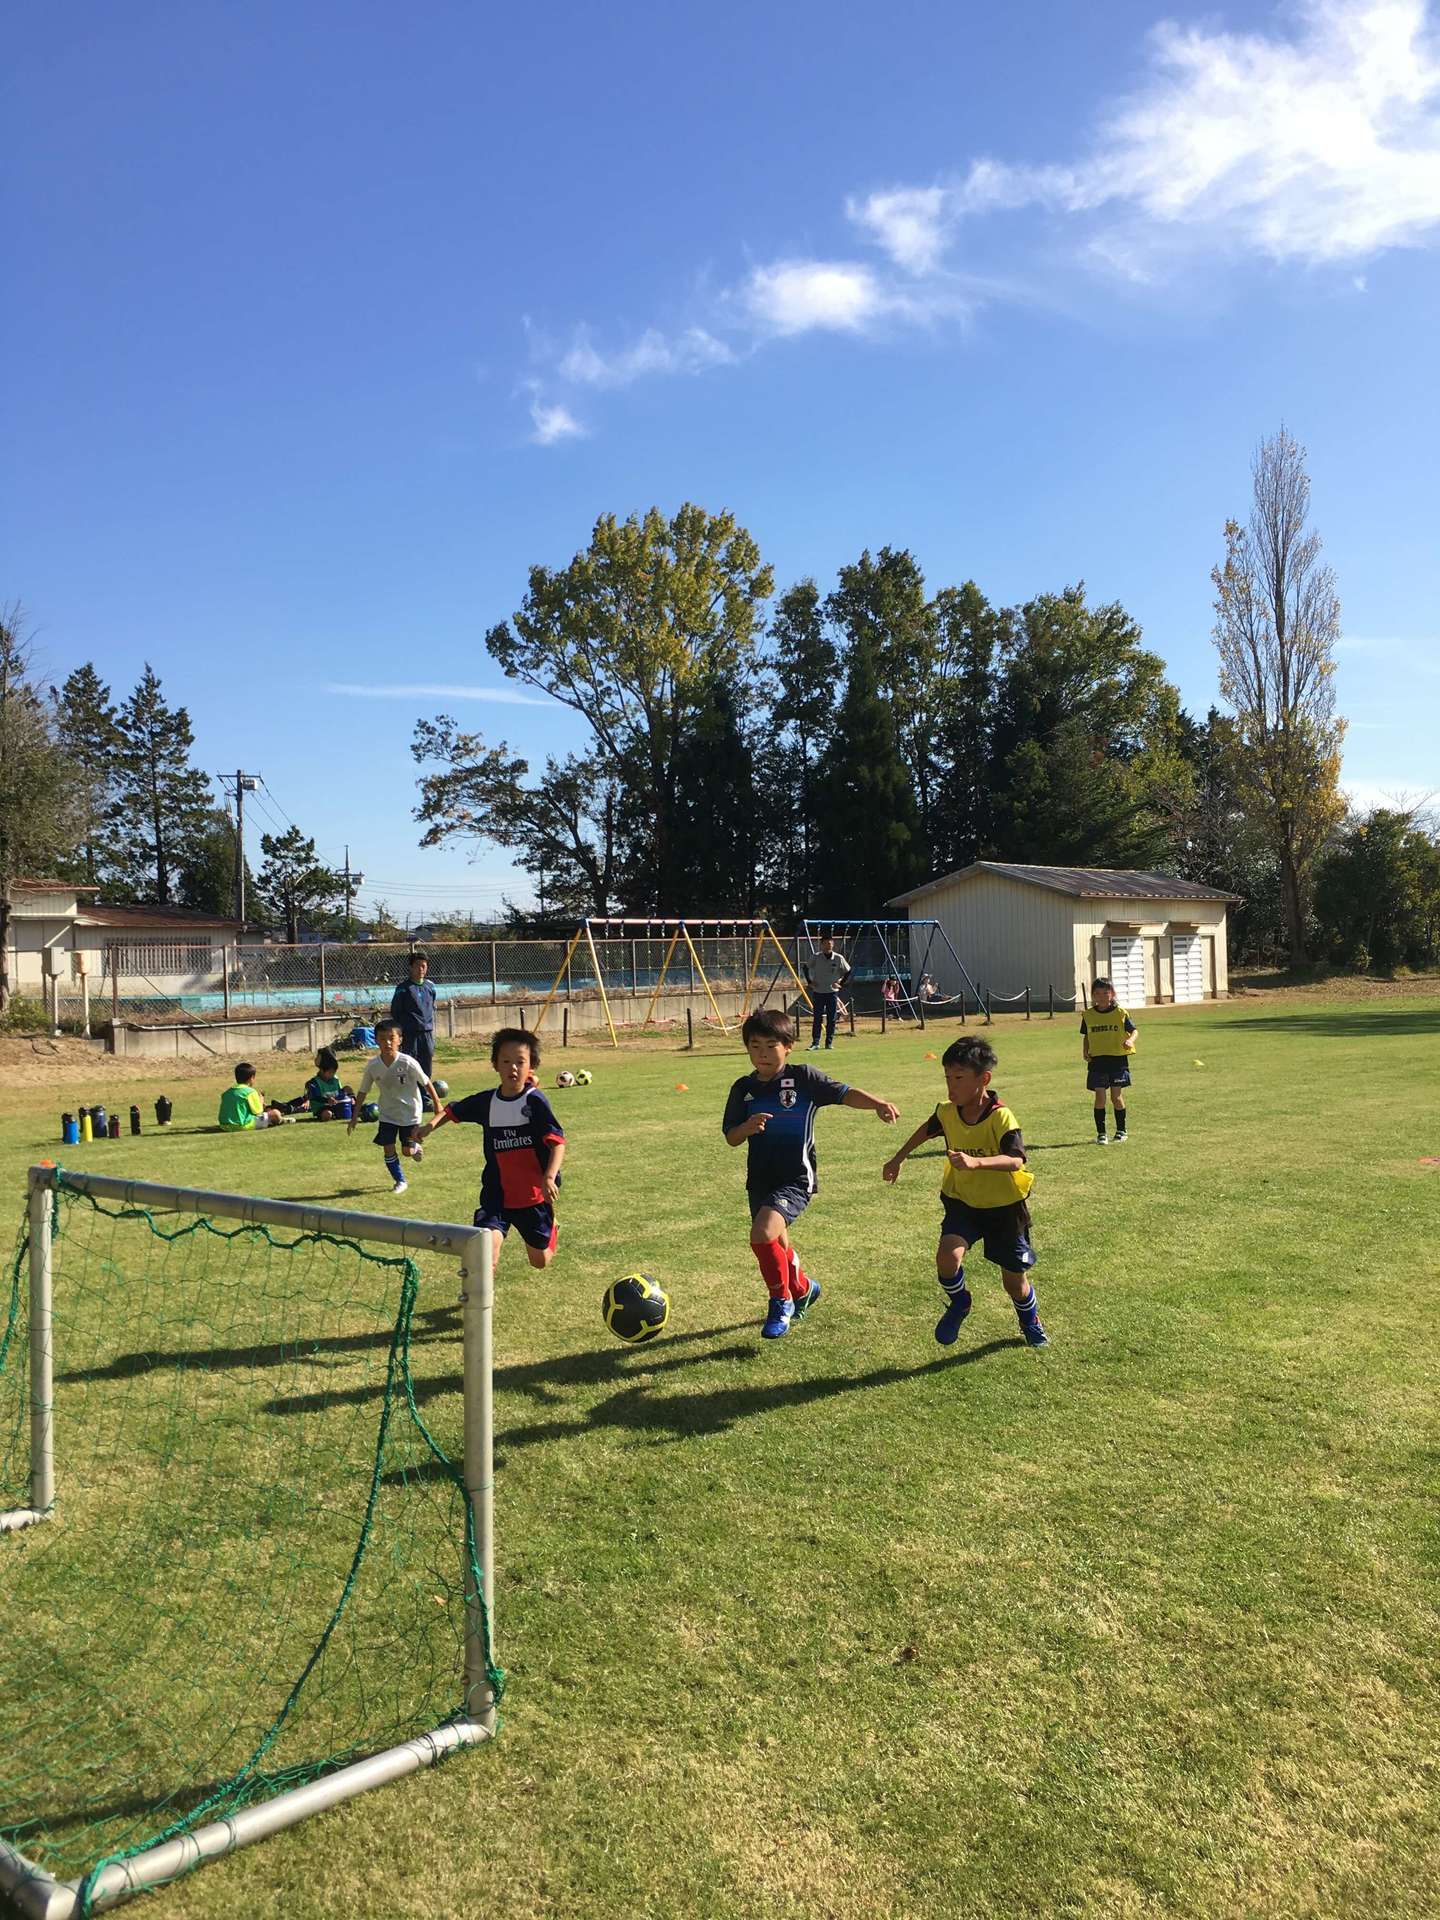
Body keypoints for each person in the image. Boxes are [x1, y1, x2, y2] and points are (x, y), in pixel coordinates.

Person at [723, 1007, 899, 1339]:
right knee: (776, 1243)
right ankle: (803, 1288)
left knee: (762, 1234)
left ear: (788, 1046)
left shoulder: (804, 1079)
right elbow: (731, 1137)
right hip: (760, 1180)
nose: (762, 1053)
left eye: (770, 1045)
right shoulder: (742, 1088)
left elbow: (845, 1094)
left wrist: (877, 1103)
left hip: (795, 1179)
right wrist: (746, 1127)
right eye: (755, 1046)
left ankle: (781, 1300)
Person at [882, 1034, 1048, 1349]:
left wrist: (976, 1162)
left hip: (1004, 1207)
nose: (951, 1086)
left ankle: (1030, 1321)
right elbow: (926, 1130)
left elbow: (1016, 1160)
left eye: (958, 1078)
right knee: (947, 1257)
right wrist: (897, 1158)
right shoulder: (947, 1111)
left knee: (1014, 1282)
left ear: (984, 1079)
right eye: (947, 1077)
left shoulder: (1001, 1115)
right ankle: (960, 1303)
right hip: (963, 1202)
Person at [420, 1027, 565, 1272]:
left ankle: (552, 1229)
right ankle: (479, 1302)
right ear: (495, 1064)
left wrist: (549, 1177)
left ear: (532, 1066)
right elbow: (454, 1109)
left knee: (539, 1261)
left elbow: (557, 1142)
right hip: (496, 1193)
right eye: (506, 1061)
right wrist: (429, 1126)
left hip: (532, 1195)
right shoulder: (488, 1101)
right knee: (486, 1246)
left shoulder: (535, 1101)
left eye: (520, 1062)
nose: (513, 1068)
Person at [347, 1017, 442, 1194]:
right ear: (375, 1040)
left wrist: (437, 1104)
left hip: (410, 1112)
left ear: (400, 1040)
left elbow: (426, 1082)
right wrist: (354, 1116)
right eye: (382, 1038)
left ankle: (415, 1148)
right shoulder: (373, 1066)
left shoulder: (408, 1062)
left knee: (407, 1151)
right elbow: (362, 1092)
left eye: (391, 1038)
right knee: (388, 1148)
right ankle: (400, 1181)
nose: (387, 1042)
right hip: (387, 1114)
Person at [1081, 975, 1137, 1144]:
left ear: (1112, 994)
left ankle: (1121, 1130)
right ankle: (1101, 1134)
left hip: (1117, 1060)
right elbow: (1086, 1036)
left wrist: (1130, 1040)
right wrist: (1085, 1051)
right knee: (1099, 1097)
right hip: (1097, 1060)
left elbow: (1134, 1031)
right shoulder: (1088, 1015)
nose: (1102, 996)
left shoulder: (1120, 1013)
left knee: (1116, 1097)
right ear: (1093, 995)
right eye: (1097, 993)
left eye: (1105, 993)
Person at [390, 951, 438, 1079]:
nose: (421, 969)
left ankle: (425, 1096)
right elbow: (396, 1012)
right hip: (410, 1034)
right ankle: (410, 1092)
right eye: (418, 965)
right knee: (409, 1064)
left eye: (424, 965)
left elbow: (431, 1005)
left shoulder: (430, 986)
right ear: (410, 967)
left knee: (426, 1064)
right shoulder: (403, 988)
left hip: (427, 1032)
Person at [803, 936, 852, 1051]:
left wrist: (841, 983)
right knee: (817, 1018)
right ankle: (815, 1042)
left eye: (830, 943)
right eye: (825, 944)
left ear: (833, 944)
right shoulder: (816, 957)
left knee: (832, 1018)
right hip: (818, 992)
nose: (828, 946)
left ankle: (829, 1043)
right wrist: (810, 982)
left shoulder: (838, 958)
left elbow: (848, 971)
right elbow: (805, 968)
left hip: (832, 993)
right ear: (821, 945)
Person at [281, 1046, 354, 1119]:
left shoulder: (335, 1079)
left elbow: (341, 1092)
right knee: (327, 1114)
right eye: (330, 1072)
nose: (332, 1075)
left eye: (334, 1072)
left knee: (348, 1089)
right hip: (322, 1108)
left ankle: (354, 1105)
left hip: (337, 1105)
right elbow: (315, 1097)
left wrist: (350, 1097)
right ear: (322, 1070)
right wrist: (327, 1100)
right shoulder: (314, 1083)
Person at [218, 1062, 285, 1131]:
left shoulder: (227, 1093)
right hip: (243, 1125)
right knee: (275, 1113)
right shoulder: (250, 1092)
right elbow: (258, 1112)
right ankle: (278, 1121)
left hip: (224, 1126)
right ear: (252, 1078)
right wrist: (261, 1100)